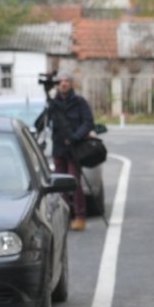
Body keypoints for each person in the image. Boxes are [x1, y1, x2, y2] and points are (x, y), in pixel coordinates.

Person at [49, 71, 94, 231]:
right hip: (58, 148)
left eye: (67, 81)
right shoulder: (53, 103)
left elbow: (88, 122)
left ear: (71, 83)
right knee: (60, 185)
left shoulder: (79, 102)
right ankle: (63, 217)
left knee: (74, 182)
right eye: (60, 81)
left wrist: (75, 137)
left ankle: (80, 216)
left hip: (75, 148)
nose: (63, 84)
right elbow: (46, 122)